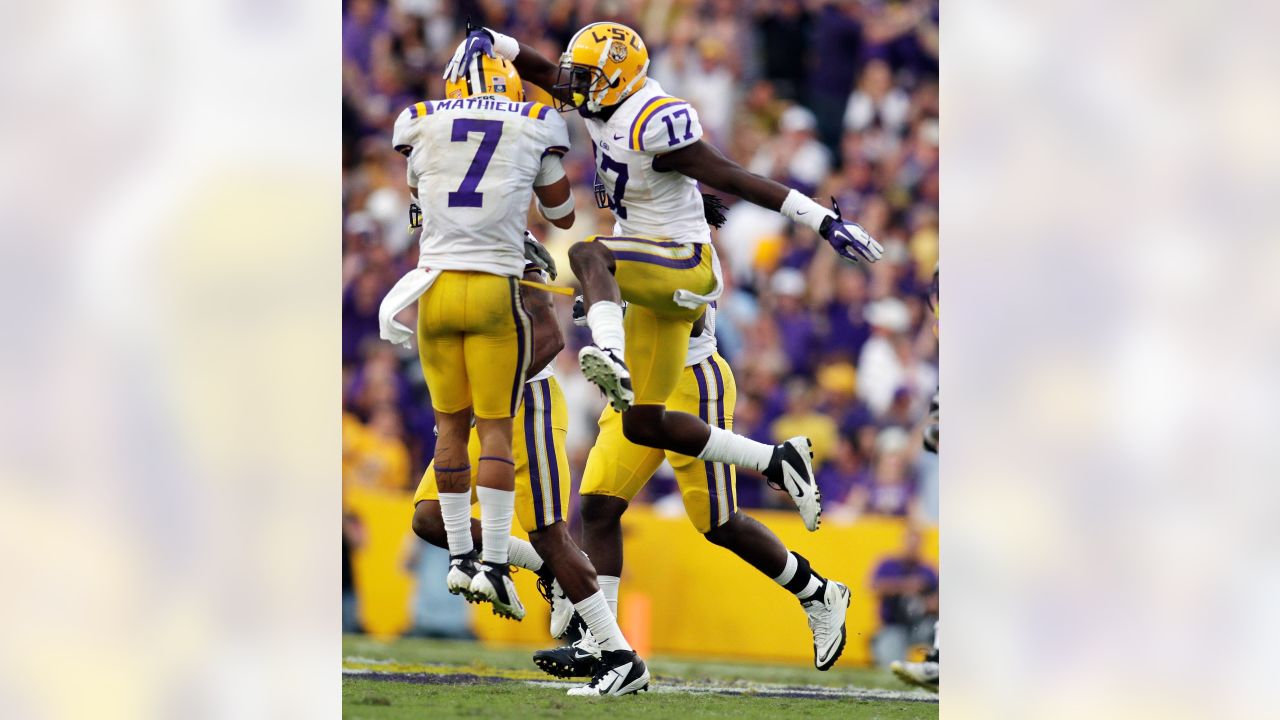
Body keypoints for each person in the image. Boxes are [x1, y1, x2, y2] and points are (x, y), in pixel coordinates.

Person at [443, 21, 884, 541]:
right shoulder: (601, 96)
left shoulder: (653, 122)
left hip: (684, 259)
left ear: (619, 79)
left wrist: (823, 220)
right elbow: (543, 72)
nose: (574, 86)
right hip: (640, 263)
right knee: (626, 454)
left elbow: (737, 178)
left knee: (590, 251)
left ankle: (608, 351)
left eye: (586, 76)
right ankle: (598, 622)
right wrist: (492, 41)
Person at [384, 55, 648, 697]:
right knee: (427, 518)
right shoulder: (472, 234)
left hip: (521, 401)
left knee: (551, 533)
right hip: (488, 397)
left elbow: (551, 336)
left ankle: (617, 653)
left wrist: (486, 385)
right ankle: (542, 573)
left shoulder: (513, 248)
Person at [533, 303, 855, 676]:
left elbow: (693, 318)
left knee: (718, 522)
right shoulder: (624, 242)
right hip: (640, 384)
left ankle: (817, 591)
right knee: (598, 502)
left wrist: (622, 306)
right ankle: (601, 642)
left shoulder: (687, 244)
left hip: (690, 380)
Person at [869, 529, 938, 667]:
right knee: (892, 667)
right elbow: (874, 587)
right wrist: (907, 586)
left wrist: (927, 605)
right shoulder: (889, 565)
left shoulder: (928, 570)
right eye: (910, 543)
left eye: (916, 544)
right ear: (903, 543)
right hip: (894, 626)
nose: (913, 548)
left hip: (921, 626)